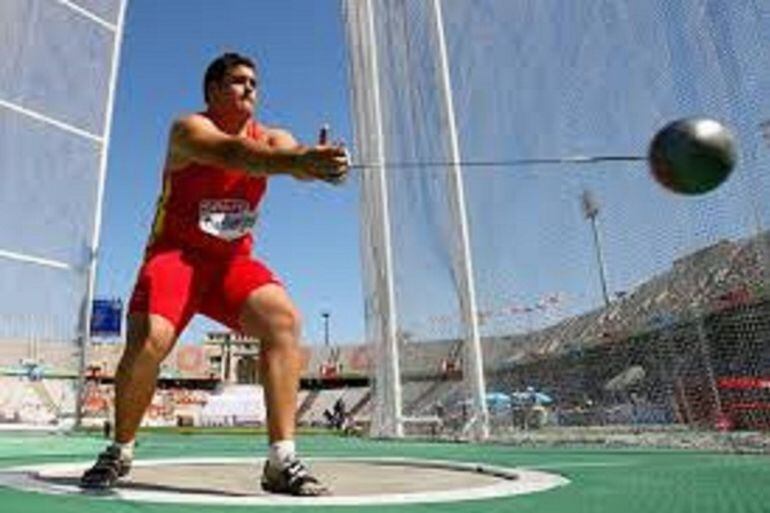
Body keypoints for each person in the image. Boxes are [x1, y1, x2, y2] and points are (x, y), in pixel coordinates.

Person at [79, 52, 349, 496]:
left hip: (230, 265)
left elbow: (291, 158)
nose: (250, 89)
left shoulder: (273, 137)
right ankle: (119, 450)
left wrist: (323, 165)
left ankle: (281, 461)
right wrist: (298, 162)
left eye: (254, 83)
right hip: (177, 257)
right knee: (149, 340)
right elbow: (237, 154)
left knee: (284, 321)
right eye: (238, 81)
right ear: (212, 91)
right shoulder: (188, 131)